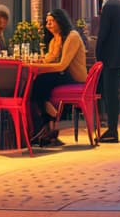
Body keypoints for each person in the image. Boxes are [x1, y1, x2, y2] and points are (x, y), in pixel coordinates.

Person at [30, 8, 86, 146]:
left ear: (60, 21)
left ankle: (49, 125)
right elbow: (50, 59)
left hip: (74, 77)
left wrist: (34, 66)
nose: (48, 25)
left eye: (51, 21)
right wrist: (40, 62)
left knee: (38, 84)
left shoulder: (72, 36)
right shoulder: (55, 39)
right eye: (47, 22)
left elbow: (61, 65)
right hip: (63, 74)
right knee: (38, 84)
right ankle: (50, 127)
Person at [93, 0, 120, 143]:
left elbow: (103, 34)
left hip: (109, 57)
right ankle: (112, 128)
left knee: (109, 94)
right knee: (112, 93)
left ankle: (112, 130)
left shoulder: (108, 7)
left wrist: (98, 54)